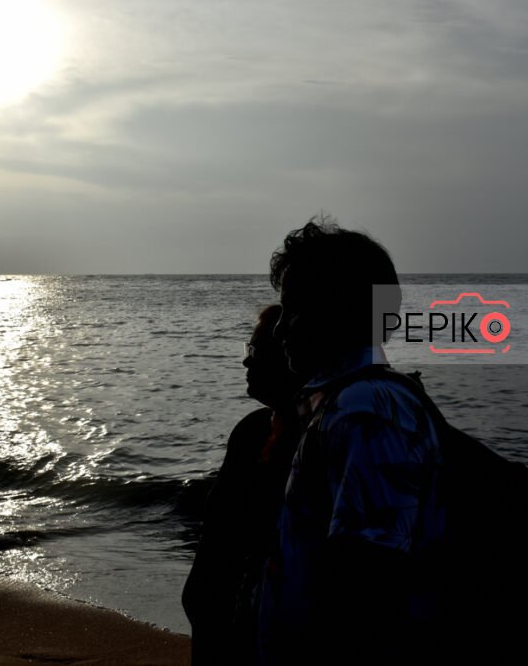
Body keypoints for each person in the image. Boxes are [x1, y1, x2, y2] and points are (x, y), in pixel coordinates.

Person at [256, 219, 442, 665]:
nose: (281, 330)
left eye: (295, 308)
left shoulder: (365, 412)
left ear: (342, 309)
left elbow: (370, 587)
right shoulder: (344, 404)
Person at [183, 305, 305, 665]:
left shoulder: (312, 440)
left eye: (255, 352)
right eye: (247, 351)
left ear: (285, 355)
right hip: (219, 611)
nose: (246, 363)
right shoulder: (252, 430)